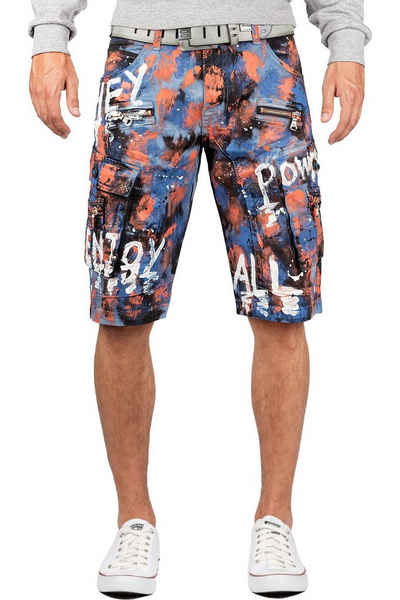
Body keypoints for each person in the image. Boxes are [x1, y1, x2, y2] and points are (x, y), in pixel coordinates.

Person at [28, 1, 371, 597]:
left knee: (281, 298)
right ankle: (133, 521)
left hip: (263, 59)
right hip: (145, 62)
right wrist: (50, 38)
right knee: (122, 303)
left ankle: (276, 520)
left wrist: (346, 42)